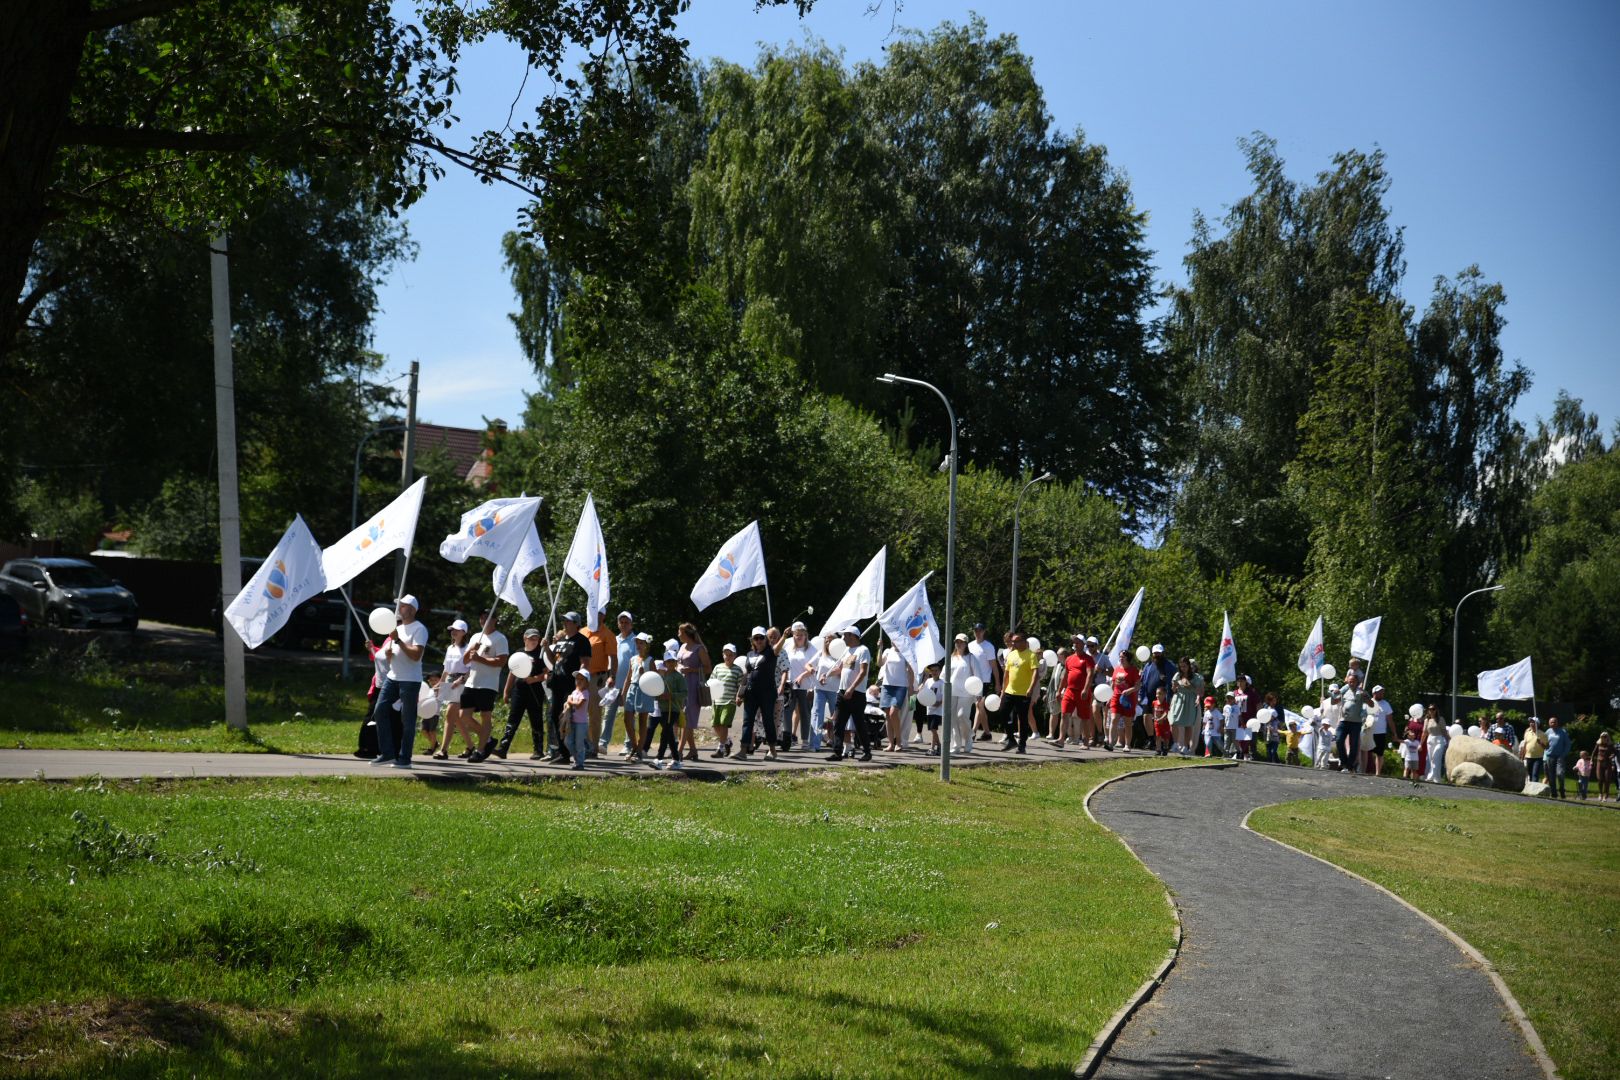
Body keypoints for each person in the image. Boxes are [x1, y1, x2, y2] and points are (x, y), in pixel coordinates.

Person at [369, 594, 428, 770]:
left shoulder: (419, 629)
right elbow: (396, 655)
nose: (399, 608)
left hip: (410, 680)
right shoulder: (397, 628)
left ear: (412, 609)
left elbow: (416, 655)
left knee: (407, 720)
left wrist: (398, 640)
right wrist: (389, 655)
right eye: (399, 605)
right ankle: (387, 753)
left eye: (402, 606)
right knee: (379, 711)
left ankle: (405, 758)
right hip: (393, 677)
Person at [537, 611, 591, 765]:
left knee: (569, 717)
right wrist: (547, 648)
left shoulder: (582, 641)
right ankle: (564, 752)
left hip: (570, 684)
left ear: (576, 624)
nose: (565, 624)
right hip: (557, 683)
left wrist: (581, 682)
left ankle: (579, 748)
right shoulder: (561, 641)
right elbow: (554, 660)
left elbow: (585, 662)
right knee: (555, 716)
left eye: (568, 621)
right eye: (564, 621)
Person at [460, 610, 508, 763]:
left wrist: (479, 659)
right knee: (463, 716)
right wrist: (472, 649)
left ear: (495, 620)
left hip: (488, 684)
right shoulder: (476, 636)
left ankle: (480, 751)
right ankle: (488, 739)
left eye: (487, 618)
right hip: (472, 682)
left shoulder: (500, 638)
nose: (483, 621)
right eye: (481, 618)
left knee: (485, 716)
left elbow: (501, 661)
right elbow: (465, 660)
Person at [494, 628, 549, 759]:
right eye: (531, 638)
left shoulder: (541, 653)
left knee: (536, 720)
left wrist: (534, 679)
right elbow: (512, 672)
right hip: (519, 690)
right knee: (513, 719)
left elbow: (547, 673)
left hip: (535, 691)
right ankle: (503, 748)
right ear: (525, 639)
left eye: (536, 638)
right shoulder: (519, 652)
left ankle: (538, 750)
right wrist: (506, 691)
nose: (534, 641)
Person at [736, 626, 783, 761]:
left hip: (767, 692)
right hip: (751, 692)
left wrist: (784, 637)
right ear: (752, 640)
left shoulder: (771, 652)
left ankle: (772, 750)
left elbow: (778, 648)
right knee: (747, 721)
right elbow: (747, 674)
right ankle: (743, 750)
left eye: (761, 637)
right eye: (756, 638)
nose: (759, 640)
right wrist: (739, 693)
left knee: (768, 720)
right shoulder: (750, 654)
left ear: (766, 639)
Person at [828, 626, 872, 762]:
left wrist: (852, 688)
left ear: (852, 636)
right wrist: (827, 675)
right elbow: (841, 668)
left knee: (859, 724)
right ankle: (837, 752)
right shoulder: (847, 650)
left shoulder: (863, 650)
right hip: (842, 692)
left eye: (845, 636)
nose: (843, 638)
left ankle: (867, 752)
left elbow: (863, 672)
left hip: (856, 693)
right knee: (838, 723)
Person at [431, 618, 473, 760]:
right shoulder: (450, 648)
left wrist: (460, 680)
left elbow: (472, 669)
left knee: (450, 714)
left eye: (456, 630)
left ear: (463, 632)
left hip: (462, 683)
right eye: (452, 630)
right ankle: (471, 747)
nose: (453, 632)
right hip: (450, 682)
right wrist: (440, 684)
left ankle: (443, 750)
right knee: (456, 718)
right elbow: (446, 669)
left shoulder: (468, 649)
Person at [602, 610, 637, 756]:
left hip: (628, 684)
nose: (623, 625)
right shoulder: (614, 639)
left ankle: (628, 745)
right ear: (618, 624)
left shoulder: (635, 641)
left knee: (629, 715)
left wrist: (630, 684)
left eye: (626, 622)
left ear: (631, 624)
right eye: (621, 622)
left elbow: (636, 663)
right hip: (613, 684)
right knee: (608, 714)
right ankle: (603, 743)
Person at [675, 622, 711, 762]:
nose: (678, 634)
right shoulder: (682, 647)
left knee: (687, 718)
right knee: (682, 718)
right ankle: (693, 750)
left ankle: (678, 751)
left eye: (680, 632)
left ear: (686, 633)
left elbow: (708, 668)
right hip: (681, 685)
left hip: (693, 686)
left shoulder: (699, 649)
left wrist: (691, 670)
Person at [581, 607, 614, 757]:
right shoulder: (582, 631)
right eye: (593, 612)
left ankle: (593, 747)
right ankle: (583, 745)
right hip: (581, 678)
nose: (595, 615)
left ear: (604, 616)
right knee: (580, 712)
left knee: (594, 713)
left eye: (599, 613)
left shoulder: (607, 634)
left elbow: (613, 658)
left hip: (597, 678)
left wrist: (612, 676)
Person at [779, 622, 816, 751]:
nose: (799, 637)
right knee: (787, 712)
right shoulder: (789, 646)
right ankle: (788, 739)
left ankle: (805, 740)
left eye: (801, 635)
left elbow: (814, 667)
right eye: (796, 635)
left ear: (806, 635)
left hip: (805, 686)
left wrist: (802, 676)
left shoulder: (811, 649)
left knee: (805, 713)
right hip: (790, 684)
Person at [801, 635, 840, 753]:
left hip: (834, 690)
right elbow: (807, 664)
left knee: (836, 716)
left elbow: (840, 670)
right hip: (820, 688)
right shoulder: (820, 654)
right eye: (826, 641)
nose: (828, 643)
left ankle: (838, 743)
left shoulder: (840, 654)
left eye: (831, 641)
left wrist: (826, 674)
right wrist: (812, 670)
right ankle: (814, 744)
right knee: (817, 715)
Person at [1001, 630, 1038, 754]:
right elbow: (1006, 674)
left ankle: (1022, 745)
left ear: (1024, 642)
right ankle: (1011, 740)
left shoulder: (1031, 655)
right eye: (1012, 641)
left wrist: (1031, 688)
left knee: (1022, 719)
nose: (1013, 644)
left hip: (1023, 693)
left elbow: (1035, 673)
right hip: (1009, 691)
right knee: (1003, 713)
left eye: (1016, 641)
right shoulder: (1011, 654)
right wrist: (1003, 690)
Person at [876, 634, 915, 752]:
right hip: (887, 685)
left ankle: (899, 741)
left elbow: (911, 670)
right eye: (892, 639)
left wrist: (911, 686)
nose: (894, 641)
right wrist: (879, 648)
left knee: (893, 713)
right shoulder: (888, 651)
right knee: (888, 715)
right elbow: (879, 663)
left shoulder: (905, 652)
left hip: (900, 686)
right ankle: (890, 744)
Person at [619, 632, 654, 762]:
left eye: (641, 643)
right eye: (637, 643)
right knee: (627, 719)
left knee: (642, 721)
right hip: (632, 689)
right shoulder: (633, 659)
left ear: (646, 645)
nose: (638, 645)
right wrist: (623, 692)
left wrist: (644, 674)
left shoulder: (650, 660)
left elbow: (655, 678)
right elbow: (628, 677)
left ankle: (639, 750)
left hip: (644, 689)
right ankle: (634, 747)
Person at [967, 623, 1000, 741]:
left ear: (984, 631)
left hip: (983, 680)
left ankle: (973, 732)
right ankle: (987, 733)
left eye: (980, 630)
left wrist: (997, 683)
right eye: (976, 630)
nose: (977, 632)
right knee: (980, 707)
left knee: (978, 705)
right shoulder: (969, 645)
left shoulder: (988, 647)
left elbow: (994, 666)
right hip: (971, 680)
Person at [709, 643, 743, 757]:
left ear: (734, 656)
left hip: (729, 701)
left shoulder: (737, 670)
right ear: (723, 655)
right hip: (716, 700)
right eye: (726, 654)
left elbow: (740, 686)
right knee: (715, 725)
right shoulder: (718, 667)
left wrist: (739, 697)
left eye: (730, 655)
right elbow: (712, 681)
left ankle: (720, 749)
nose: (728, 657)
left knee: (724, 724)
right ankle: (727, 741)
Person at [1168, 656, 1203, 758]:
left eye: (1185, 666)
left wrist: (1189, 685)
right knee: (1173, 721)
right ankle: (1175, 743)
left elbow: (1200, 692)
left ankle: (1185, 746)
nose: (1183, 668)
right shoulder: (1177, 675)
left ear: (1189, 666)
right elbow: (1174, 689)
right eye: (1181, 666)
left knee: (1188, 724)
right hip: (1178, 699)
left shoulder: (1196, 677)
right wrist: (1174, 686)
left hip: (1190, 700)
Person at [1107, 646, 1140, 752]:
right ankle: (1110, 743)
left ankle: (1127, 745)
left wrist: (1129, 690)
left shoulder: (1133, 670)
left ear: (1128, 658)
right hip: (1116, 697)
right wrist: (1109, 697)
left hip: (1128, 700)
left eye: (1123, 657)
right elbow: (1113, 684)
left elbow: (1137, 686)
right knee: (1114, 719)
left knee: (1127, 723)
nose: (1121, 659)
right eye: (1120, 657)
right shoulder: (1117, 669)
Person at [1337, 673, 1370, 776]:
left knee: (1354, 744)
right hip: (1343, 721)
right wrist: (1335, 694)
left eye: (1353, 682)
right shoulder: (1344, 690)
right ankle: (1344, 762)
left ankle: (1350, 765)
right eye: (1349, 681)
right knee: (1339, 739)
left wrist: (1365, 696)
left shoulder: (1361, 692)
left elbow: (1371, 704)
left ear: (1357, 682)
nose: (1351, 683)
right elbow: (1334, 701)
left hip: (1356, 723)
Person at [947, 633, 975, 755]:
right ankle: (956, 745)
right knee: (953, 719)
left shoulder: (971, 658)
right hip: (952, 692)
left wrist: (978, 694)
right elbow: (944, 675)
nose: (959, 644)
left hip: (967, 693)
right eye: (957, 642)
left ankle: (968, 738)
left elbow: (977, 675)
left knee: (962, 716)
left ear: (966, 644)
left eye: (962, 642)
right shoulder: (952, 657)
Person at [563, 669, 592, 770]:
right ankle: (579, 757)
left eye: (582, 679)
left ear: (587, 682)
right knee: (568, 741)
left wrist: (570, 701)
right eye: (577, 679)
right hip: (572, 721)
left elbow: (579, 705)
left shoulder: (585, 693)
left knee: (579, 744)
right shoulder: (574, 692)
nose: (578, 681)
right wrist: (570, 700)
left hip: (581, 723)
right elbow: (569, 699)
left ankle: (580, 763)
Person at [1367, 685, 1394, 776]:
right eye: (1380, 692)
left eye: (1382, 692)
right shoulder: (1368, 702)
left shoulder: (1386, 704)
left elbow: (1390, 719)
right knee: (1367, 752)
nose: (1382, 694)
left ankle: (1378, 773)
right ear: (1374, 693)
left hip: (1381, 732)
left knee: (1379, 753)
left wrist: (1394, 733)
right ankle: (1366, 770)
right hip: (1369, 731)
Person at [919, 662, 944, 755]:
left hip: (938, 710)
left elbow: (944, 696)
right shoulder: (928, 681)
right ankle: (936, 748)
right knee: (932, 730)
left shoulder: (942, 683)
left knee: (933, 729)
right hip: (929, 709)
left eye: (936, 670)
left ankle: (936, 747)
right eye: (932, 670)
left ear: (940, 671)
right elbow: (924, 692)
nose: (934, 672)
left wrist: (939, 703)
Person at [1543, 716, 1570, 799]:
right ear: (1549, 723)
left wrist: (1563, 754)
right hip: (1550, 756)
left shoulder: (1563, 732)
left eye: (1554, 722)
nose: (1553, 723)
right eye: (1551, 722)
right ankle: (1554, 793)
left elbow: (1568, 744)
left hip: (1559, 757)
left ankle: (1562, 789)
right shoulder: (1548, 731)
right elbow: (1545, 744)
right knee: (1551, 776)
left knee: (1560, 774)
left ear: (1557, 723)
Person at [1424, 707, 1449, 784]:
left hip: (1439, 739)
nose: (1431, 711)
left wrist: (1448, 740)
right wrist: (1420, 744)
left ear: (1436, 710)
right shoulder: (1427, 720)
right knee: (1431, 759)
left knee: (1436, 758)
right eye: (1430, 709)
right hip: (1430, 739)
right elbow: (1424, 732)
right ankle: (1432, 776)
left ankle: (1436, 778)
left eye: (1433, 709)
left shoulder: (1440, 719)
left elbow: (1444, 731)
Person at [1519, 717, 1547, 783]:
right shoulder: (1527, 733)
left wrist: (1540, 742)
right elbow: (1525, 746)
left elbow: (1546, 747)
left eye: (1533, 722)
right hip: (1528, 757)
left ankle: (1534, 787)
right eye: (1530, 722)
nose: (1531, 724)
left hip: (1538, 758)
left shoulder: (1543, 734)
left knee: (1535, 774)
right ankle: (1532, 787)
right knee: (1530, 775)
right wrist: (1522, 757)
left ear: (1537, 724)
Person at [1594, 731, 1615, 802]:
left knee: (1607, 780)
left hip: (1607, 763)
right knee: (1600, 779)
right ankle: (1600, 793)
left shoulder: (1610, 745)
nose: (1604, 738)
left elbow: (1615, 752)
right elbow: (1594, 752)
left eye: (1605, 737)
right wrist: (1591, 760)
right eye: (1603, 737)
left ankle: (1606, 795)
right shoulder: (1598, 744)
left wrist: (1612, 755)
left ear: (1608, 737)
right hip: (1599, 763)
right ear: (1601, 737)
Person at [1262, 692, 1283, 763]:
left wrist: (1280, 730)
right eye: (1273, 701)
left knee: (1273, 748)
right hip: (1266, 730)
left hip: (1274, 731)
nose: (1274, 702)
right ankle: (1270, 761)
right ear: (1269, 701)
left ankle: (1273, 761)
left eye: (1275, 700)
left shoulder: (1275, 710)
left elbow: (1270, 720)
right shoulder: (1266, 708)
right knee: (1268, 747)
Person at [1151, 688, 1172, 756]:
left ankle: (1165, 748)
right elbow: (1153, 710)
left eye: (1160, 694)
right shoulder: (1154, 702)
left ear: (1165, 694)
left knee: (1166, 737)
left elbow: (1166, 713)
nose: (1157, 695)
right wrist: (1154, 717)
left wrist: (1161, 719)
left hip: (1165, 724)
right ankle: (1158, 749)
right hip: (1157, 723)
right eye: (1157, 693)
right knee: (1158, 736)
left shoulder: (1166, 704)